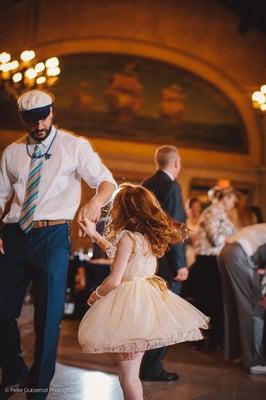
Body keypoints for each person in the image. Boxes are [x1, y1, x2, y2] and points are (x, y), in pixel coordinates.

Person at [0, 89, 116, 400]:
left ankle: (37, 388)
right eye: (31, 120)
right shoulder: (11, 152)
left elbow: (106, 182)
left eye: (43, 117)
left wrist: (95, 203)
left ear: (52, 113)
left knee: (48, 317)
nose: (39, 125)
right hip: (13, 235)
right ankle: (12, 371)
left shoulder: (74, 146)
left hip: (52, 239)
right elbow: (0, 195)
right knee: (2, 311)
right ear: (22, 119)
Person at [78, 183, 209, 400]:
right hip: (145, 301)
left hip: (131, 306)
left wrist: (97, 294)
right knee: (128, 374)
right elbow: (119, 254)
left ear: (123, 209)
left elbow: (115, 280)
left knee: (128, 375)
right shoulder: (145, 237)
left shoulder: (127, 237)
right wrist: (94, 234)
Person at [140, 145, 187, 381]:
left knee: (150, 314)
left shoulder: (146, 184)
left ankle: (143, 363)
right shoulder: (172, 186)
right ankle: (152, 367)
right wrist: (180, 263)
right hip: (168, 265)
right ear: (176, 163)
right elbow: (174, 228)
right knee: (166, 316)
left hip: (147, 260)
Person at [190, 185, 237, 350]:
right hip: (208, 262)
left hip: (214, 261)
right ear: (225, 198)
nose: (234, 202)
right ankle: (203, 340)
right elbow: (216, 239)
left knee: (214, 302)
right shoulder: (212, 212)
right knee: (207, 302)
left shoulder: (222, 213)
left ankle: (212, 339)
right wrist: (234, 238)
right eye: (232, 198)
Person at [219, 224, 266, 375]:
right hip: (238, 254)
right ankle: (254, 362)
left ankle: (235, 353)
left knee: (232, 305)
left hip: (226, 251)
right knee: (254, 307)